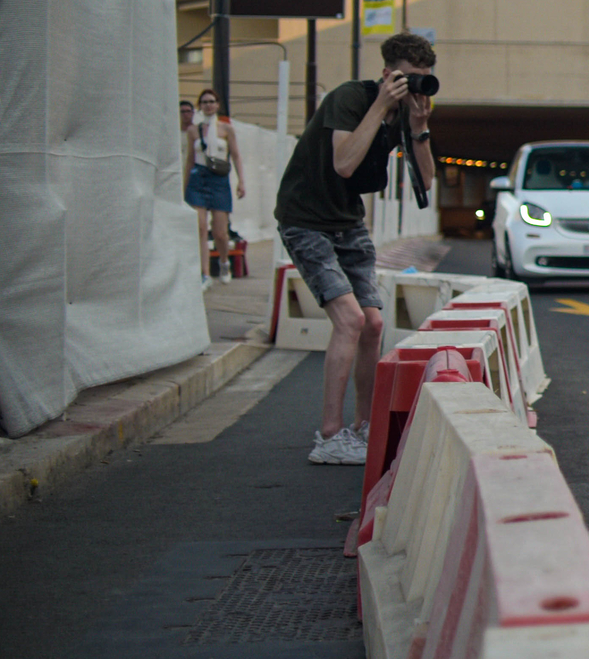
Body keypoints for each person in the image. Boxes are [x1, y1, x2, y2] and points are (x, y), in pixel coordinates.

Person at [275, 34, 438, 466]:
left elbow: (426, 183)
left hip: (347, 222)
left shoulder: (406, 117)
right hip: (305, 218)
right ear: (388, 75)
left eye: (424, 81)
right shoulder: (350, 98)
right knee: (348, 319)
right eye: (408, 79)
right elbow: (344, 163)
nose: (415, 89)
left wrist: (419, 129)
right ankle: (329, 437)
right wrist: (381, 105)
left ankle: (363, 429)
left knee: (372, 323)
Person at [183, 88, 245, 285]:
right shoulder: (194, 130)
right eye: (204, 102)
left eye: (211, 101)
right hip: (198, 178)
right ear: (199, 106)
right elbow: (189, 161)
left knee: (220, 231)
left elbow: (235, 155)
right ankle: (205, 273)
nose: (208, 105)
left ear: (217, 104)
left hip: (218, 179)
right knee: (200, 228)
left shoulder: (226, 130)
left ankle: (224, 261)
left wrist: (241, 180)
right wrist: (184, 186)